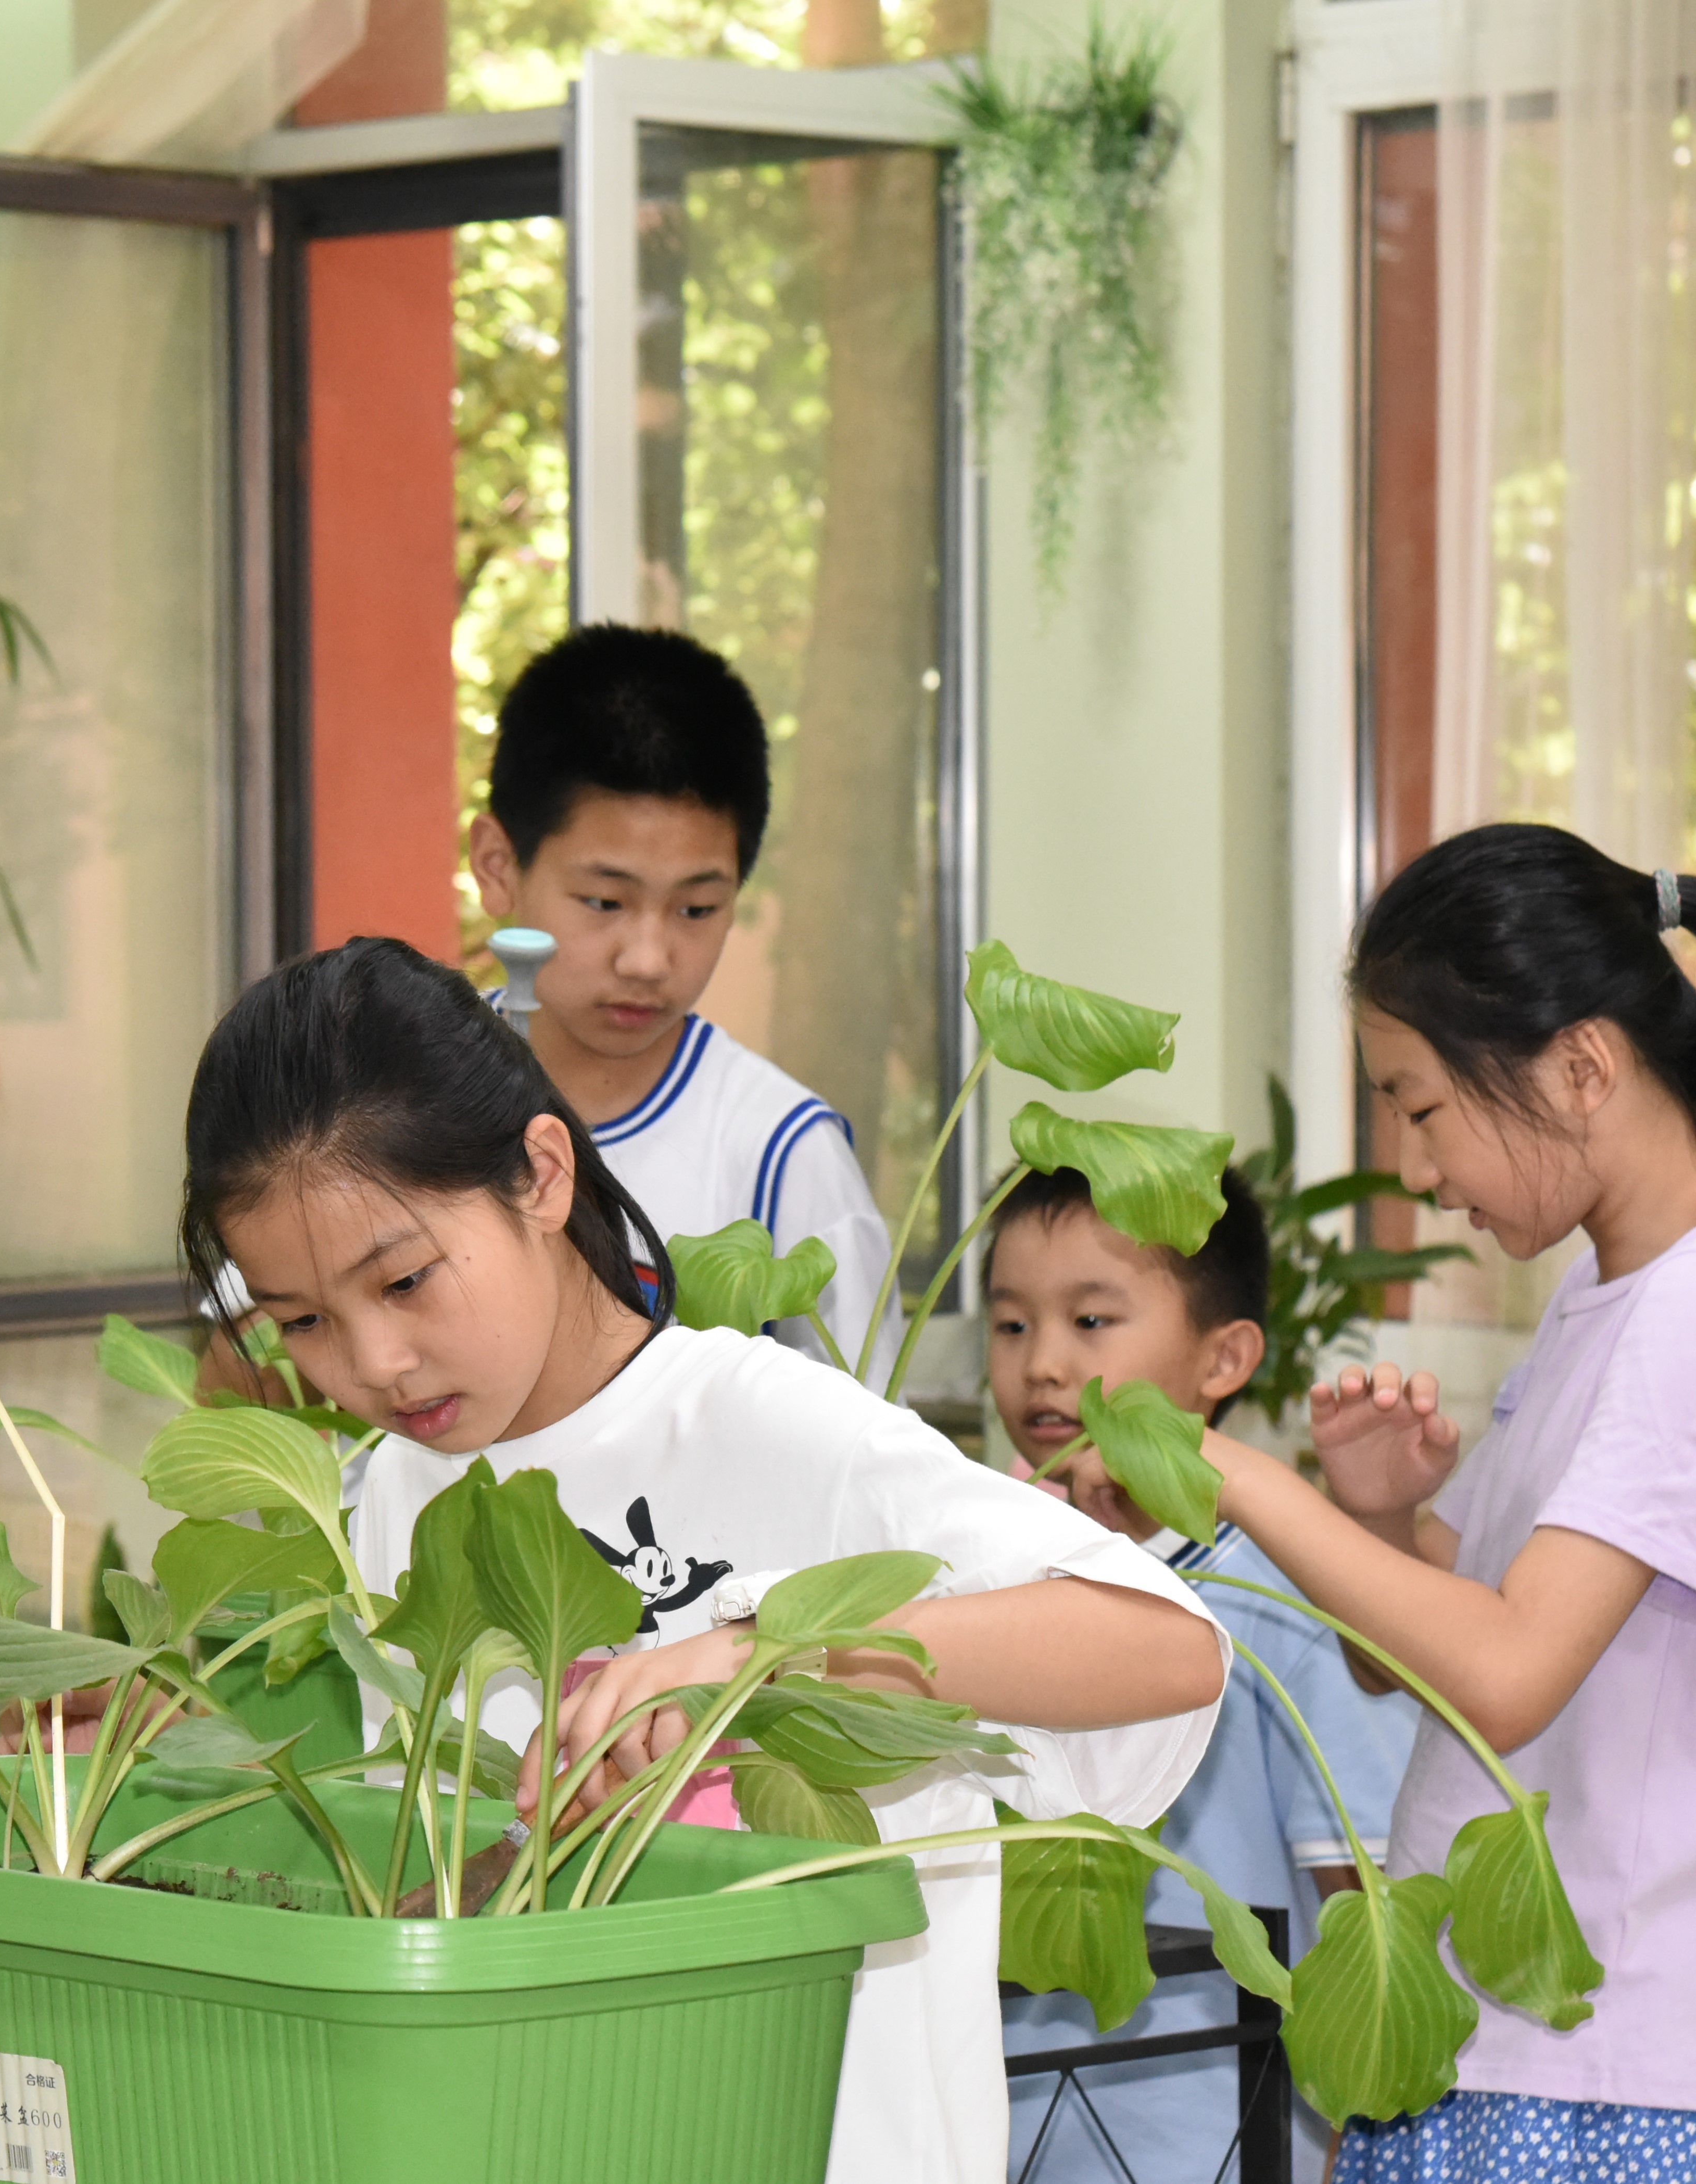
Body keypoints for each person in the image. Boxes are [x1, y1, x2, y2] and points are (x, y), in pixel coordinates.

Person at [180, 936, 1231, 2184]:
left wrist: (760, 1657)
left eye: (404, 1279)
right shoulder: (393, 1495)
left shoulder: (761, 1421)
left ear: (541, 1174)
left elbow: (1166, 1648)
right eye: (304, 1322)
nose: (372, 1363)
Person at [1199, 824, 1696, 2183]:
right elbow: (1419, 1668)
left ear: (1579, 1064)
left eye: (1421, 1105)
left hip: (1620, 2079)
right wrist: (1382, 1521)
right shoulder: (1604, 1292)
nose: (1419, 1168)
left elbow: (1506, 1672)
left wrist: (1230, 1469)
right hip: (1507, 2049)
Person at [983, 1164, 1417, 2184]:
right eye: (1009, 1326)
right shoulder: (974, 1574)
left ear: (1225, 1356)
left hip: (1230, 2148)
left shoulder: (1286, 1596)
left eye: (1092, 1320)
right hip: (993, 2136)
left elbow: (1366, 1897)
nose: (1044, 1363)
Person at [472, 624, 895, 1377]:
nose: (647, 960)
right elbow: (249, 1377)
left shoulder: (782, 1154)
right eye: (604, 901)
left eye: (696, 910)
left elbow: (866, 1460)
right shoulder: (391, 1087)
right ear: (498, 865)